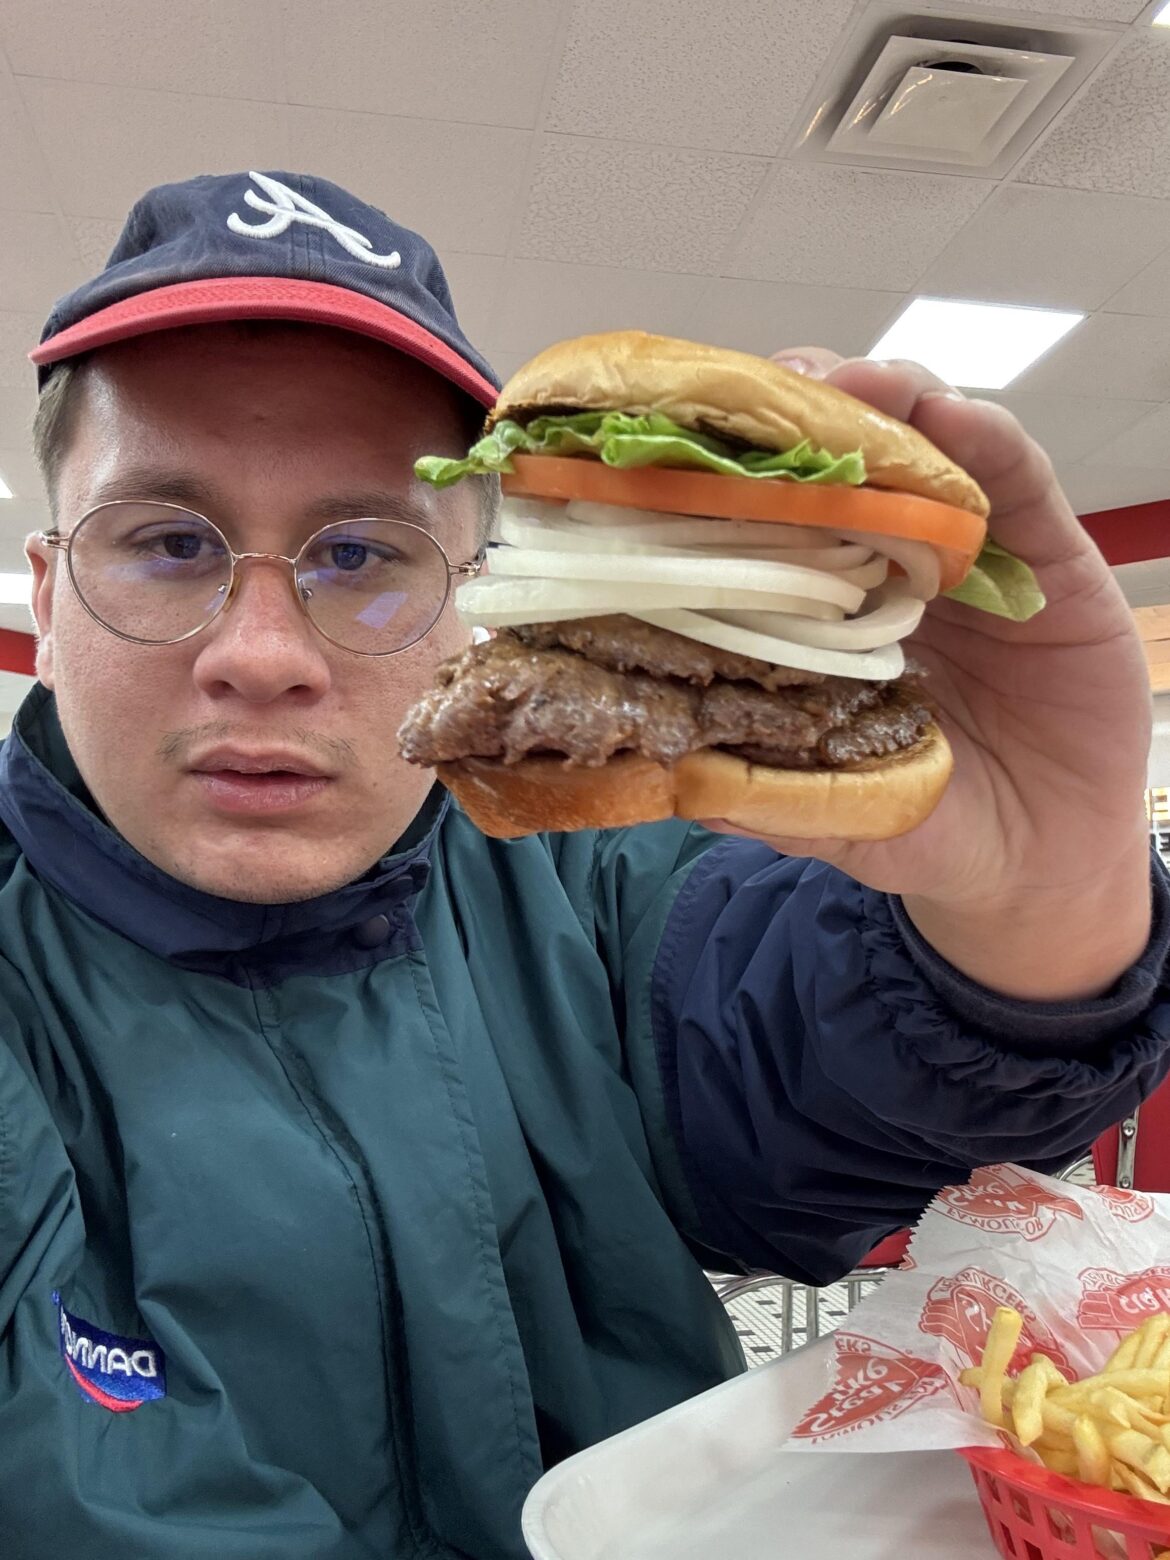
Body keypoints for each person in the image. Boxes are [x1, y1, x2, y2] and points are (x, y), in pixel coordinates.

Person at [0, 168, 1166, 1560]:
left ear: (472, 609)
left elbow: (852, 1098)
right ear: (50, 597)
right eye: (169, 545)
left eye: (363, 551)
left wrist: (1044, 880)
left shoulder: (592, 877)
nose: (262, 655)